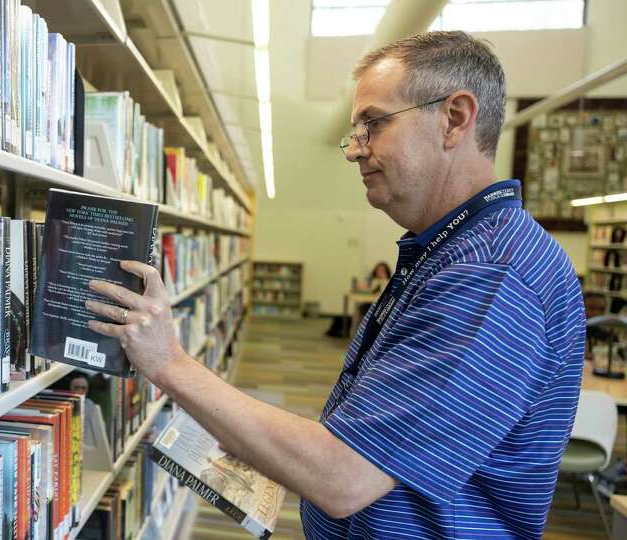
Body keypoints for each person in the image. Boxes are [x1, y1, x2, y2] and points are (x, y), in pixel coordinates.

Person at [83, 30, 585, 538]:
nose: (354, 151)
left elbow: (345, 476)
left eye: (374, 123)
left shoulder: (491, 274)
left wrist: (169, 362)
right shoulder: (453, 250)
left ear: (453, 119)